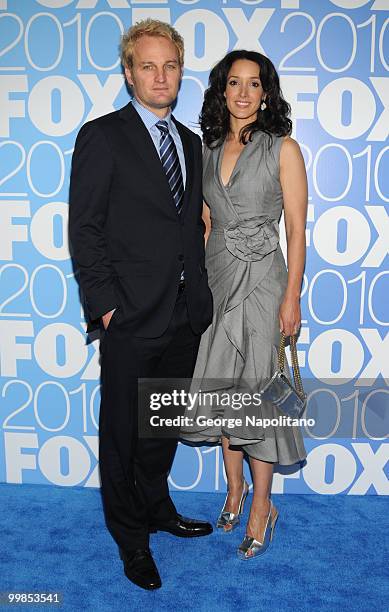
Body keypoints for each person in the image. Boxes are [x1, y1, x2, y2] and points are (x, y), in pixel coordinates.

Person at [68, 19, 213, 590]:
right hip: (129, 316)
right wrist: (106, 307)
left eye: (170, 66)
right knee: (124, 434)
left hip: (184, 313)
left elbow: (185, 224)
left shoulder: (191, 143)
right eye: (148, 66)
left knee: (163, 425)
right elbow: (86, 229)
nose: (160, 76)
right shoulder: (102, 135)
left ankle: (157, 508)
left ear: (181, 72)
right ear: (128, 73)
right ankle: (131, 541)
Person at [180, 50, 308, 559]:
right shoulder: (207, 149)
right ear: (221, 90)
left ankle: (261, 505)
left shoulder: (284, 148)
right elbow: (207, 223)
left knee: (257, 395)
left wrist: (292, 295)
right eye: (234, 83)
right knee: (224, 393)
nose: (243, 93)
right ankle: (232, 490)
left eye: (254, 84)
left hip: (263, 283)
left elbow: (296, 229)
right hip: (218, 277)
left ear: (266, 93)